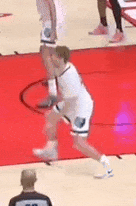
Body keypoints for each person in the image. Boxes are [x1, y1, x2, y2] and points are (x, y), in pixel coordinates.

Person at [33, 46, 113, 179]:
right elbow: (50, 67)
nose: (51, 58)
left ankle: (106, 165)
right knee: (51, 117)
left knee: (79, 143)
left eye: (54, 56)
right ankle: (51, 150)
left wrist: (61, 114)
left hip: (81, 107)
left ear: (60, 58)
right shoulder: (62, 66)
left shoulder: (69, 76)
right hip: (71, 101)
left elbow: (71, 102)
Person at [27, 0, 65, 109]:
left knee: (46, 55)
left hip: (51, 21)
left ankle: (53, 95)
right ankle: (58, 79)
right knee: (49, 53)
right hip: (50, 20)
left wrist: (53, 27)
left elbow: (51, 4)